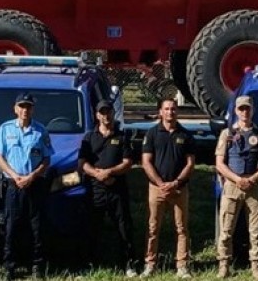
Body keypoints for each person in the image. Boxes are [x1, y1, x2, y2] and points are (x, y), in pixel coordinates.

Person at [0, 93, 54, 281]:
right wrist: (15, 176)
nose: (25, 110)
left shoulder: (40, 131)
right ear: (15, 108)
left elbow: (46, 159)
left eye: (28, 106)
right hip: (14, 185)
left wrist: (32, 176)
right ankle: (9, 267)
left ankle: (37, 266)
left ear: (32, 109)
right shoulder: (5, 129)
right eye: (22, 106)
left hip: (35, 185)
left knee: (37, 228)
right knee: (11, 227)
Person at [214, 95, 258, 280]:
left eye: (247, 108)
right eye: (241, 109)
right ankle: (224, 265)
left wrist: (253, 178)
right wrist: (236, 179)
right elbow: (219, 163)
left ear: (252, 110)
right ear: (236, 111)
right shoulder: (227, 134)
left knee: (255, 232)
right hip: (232, 187)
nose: (244, 112)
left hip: (254, 188)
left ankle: (256, 266)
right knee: (226, 230)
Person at [78, 100, 137, 277]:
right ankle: (88, 264)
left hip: (117, 189)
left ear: (113, 113)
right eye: (102, 112)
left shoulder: (122, 136)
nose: (106, 115)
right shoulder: (89, 137)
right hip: (95, 189)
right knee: (92, 228)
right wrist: (97, 175)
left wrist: (110, 172)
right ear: (97, 115)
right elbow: (82, 163)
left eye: (108, 111)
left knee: (123, 228)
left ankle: (128, 264)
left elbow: (128, 163)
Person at [140, 98, 196, 279]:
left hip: (179, 189)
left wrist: (176, 183)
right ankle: (150, 264)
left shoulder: (186, 135)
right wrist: (160, 183)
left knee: (181, 228)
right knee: (153, 227)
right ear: (160, 112)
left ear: (176, 111)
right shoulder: (152, 133)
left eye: (173, 109)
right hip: (157, 189)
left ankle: (182, 266)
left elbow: (190, 163)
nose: (170, 112)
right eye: (166, 109)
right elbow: (146, 162)